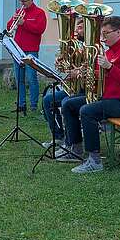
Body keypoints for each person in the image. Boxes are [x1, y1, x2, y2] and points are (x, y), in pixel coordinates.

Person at [58, 16, 120, 174]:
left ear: (118, 33)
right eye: (102, 34)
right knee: (68, 104)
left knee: (86, 111)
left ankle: (94, 161)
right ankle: (75, 148)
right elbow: (100, 73)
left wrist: (110, 67)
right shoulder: (109, 52)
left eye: (106, 33)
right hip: (106, 97)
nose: (102, 38)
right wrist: (82, 72)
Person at [41, 16, 85, 149]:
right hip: (72, 87)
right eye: (77, 26)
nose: (78, 30)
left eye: (81, 27)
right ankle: (58, 137)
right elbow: (66, 65)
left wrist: (78, 72)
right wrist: (61, 62)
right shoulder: (73, 44)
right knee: (48, 100)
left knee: (67, 103)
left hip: (85, 89)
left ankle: (72, 141)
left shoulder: (93, 46)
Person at [6, 0, 47, 114]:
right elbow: (9, 27)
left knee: (31, 78)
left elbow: (39, 29)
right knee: (19, 79)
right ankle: (21, 104)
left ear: (31, 0)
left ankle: (33, 105)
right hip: (18, 49)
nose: (22, 4)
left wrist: (24, 23)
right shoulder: (19, 12)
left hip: (31, 50)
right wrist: (14, 20)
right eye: (20, 1)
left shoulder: (39, 13)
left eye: (24, 1)